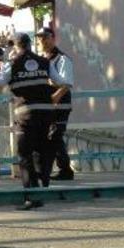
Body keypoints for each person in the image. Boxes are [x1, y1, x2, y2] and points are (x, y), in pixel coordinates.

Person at [0, 33, 68, 210]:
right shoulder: (45, 62)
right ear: (30, 44)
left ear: (15, 47)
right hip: (46, 113)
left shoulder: (11, 64)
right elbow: (64, 83)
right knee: (42, 151)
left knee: (24, 155)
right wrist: (51, 98)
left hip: (25, 114)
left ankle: (32, 196)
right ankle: (43, 189)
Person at [36, 27, 75, 180]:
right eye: (39, 37)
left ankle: (62, 170)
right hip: (46, 105)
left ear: (52, 38)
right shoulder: (40, 58)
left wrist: (55, 98)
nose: (41, 40)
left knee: (55, 136)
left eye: (45, 37)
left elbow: (67, 84)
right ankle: (62, 169)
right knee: (50, 136)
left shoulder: (62, 59)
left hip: (60, 104)